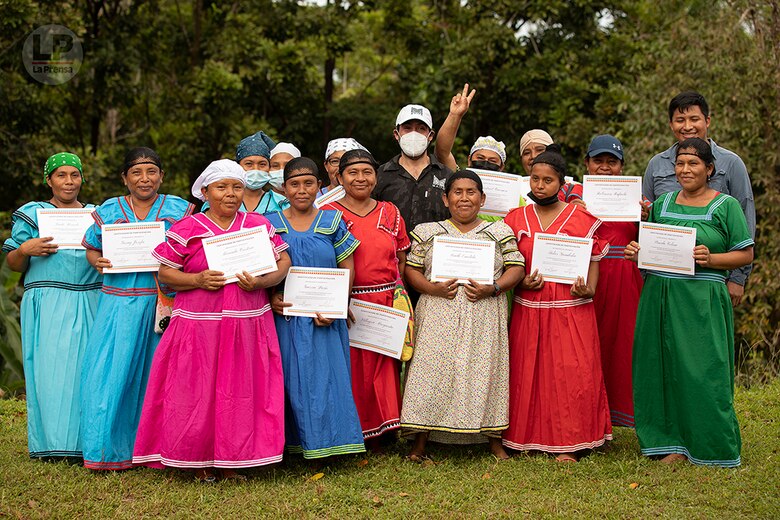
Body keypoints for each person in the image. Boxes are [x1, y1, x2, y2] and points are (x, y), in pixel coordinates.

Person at [133, 159, 290, 481]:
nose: (230, 194)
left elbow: (283, 261)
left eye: (236, 187)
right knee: (197, 391)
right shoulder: (188, 228)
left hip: (247, 322)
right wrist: (197, 280)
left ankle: (234, 459)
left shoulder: (257, 224)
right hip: (199, 325)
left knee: (241, 392)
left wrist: (262, 283)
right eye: (222, 187)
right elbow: (164, 273)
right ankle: (198, 458)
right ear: (205, 192)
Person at [625, 138, 753, 467]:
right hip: (660, 296)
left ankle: (711, 445)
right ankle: (669, 444)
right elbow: (651, 244)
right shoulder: (662, 203)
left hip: (702, 298)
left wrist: (712, 259)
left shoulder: (726, 206)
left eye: (693, 164)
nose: (685, 170)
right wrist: (638, 252)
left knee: (703, 371)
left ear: (710, 169)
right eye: (680, 164)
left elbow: (745, 253)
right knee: (661, 368)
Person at [80, 147, 195, 470]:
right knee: (112, 373)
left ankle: (158, 449)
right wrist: (98, 262)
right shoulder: (110, 210)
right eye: (136, 173)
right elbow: (91, 248)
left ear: (161, 176)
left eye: (151, 172)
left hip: (164, 302)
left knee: (161, 375)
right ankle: (110, 449)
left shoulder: (178, 209)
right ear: (124, 178)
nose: (145, 179)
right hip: (119, 301)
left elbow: (192, 249)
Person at [400, 170, 525, 460]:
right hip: (438, 309)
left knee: (486, 372)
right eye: (457, 192)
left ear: (482, 199)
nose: (464, 198)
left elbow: (516, 268)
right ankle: (420, 441)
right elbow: (410, 269)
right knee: (431, 371)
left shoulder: (500, 231)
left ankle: (493, 439)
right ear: (446, 198)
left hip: (483, 310)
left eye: (471, 192)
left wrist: (493, 288)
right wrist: (432, 288)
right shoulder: (428, 231)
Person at [502, 145, 612, 462]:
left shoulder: (582, 218)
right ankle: (527, 437)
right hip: (529, 307)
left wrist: (588, 288)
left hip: (571, 309)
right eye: (535, 179)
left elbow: (593, 258)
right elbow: (508, 263)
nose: (539, 185)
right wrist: (521, 281)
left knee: (571, 373)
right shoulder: (515, 219)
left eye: (547, 180)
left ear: (561, 183)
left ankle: (572, 441)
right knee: (529, 372)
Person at [2, 152, 101, 460]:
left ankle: (91, 441)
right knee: (52, 370)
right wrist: (25, 248)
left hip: (91, 297)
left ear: (82, 179)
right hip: (48, 299)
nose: (68, 181)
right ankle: (54, 444)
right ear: (49, 180)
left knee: (89, 368)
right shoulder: (33, 214)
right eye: (61, 175)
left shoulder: (98, 214)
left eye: (74, 175)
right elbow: (13, 263)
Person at [267, 157, 365, 460]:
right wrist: (271, 298)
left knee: (326, 378)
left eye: (308, 183)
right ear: (284, 188)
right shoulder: (269, 223)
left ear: (319, 185)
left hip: (325, 320)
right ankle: (289, 447)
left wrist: (337, 308)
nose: (301, 189)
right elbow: (263, 268)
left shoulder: (332, 221)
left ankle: (331, 442)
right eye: (294, 184)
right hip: (285, 317)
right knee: (287, 379)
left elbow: (347, 266)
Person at [322, 148, 411, 447]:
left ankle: (386, 431)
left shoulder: (391, 211)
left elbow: (401, 259)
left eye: (367, 172)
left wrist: (400, 299)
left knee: (384, 367)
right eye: (353, 172)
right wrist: (337, 300)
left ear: (376, 176)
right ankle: (355, 429)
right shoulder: (328, 213)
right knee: (352, 368)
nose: (360, 178)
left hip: (385, 300)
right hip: (348, 300)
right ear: (339, 177)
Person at [643, 91, 755, 306]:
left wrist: (738, 279)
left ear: (707, 121)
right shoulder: (656, 164)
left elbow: (745, 222)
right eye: (680, 120)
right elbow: (647, 222)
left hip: (713, 278)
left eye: (694, 119)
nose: (687, 126)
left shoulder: (731, 163)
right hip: (664, 279)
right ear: (671, 124)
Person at [578, 135, 643, 428]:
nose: (605, 167)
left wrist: (646, 217)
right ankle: (587, 416)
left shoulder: (637, 199)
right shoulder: (573, 196)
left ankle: (620, 415)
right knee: (586, 345)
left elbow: (650, 245)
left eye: (612, 162)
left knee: (621, 346)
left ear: (622, 166)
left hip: (623, 280)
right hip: (586, 277)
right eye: (599, 161)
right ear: (587, 164)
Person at [374, 104, 453, 232]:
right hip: (392, 251)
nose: (414, 134)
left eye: (421, 128)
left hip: (435, 250)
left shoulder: (446, 175)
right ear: (396, 134)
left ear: (431, 135)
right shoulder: (380, 176)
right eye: (407, 128)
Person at [234, 130, 276, 212]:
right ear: (238, 167)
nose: (256, 169)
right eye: (249, 164)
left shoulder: (280, 203)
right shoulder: (225, 201)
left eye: (262, 164)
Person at [257, 142, 301, 214]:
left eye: (287, 165)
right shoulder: (258, 203)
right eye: (275, 166)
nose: (282, 170)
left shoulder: (309, 201)